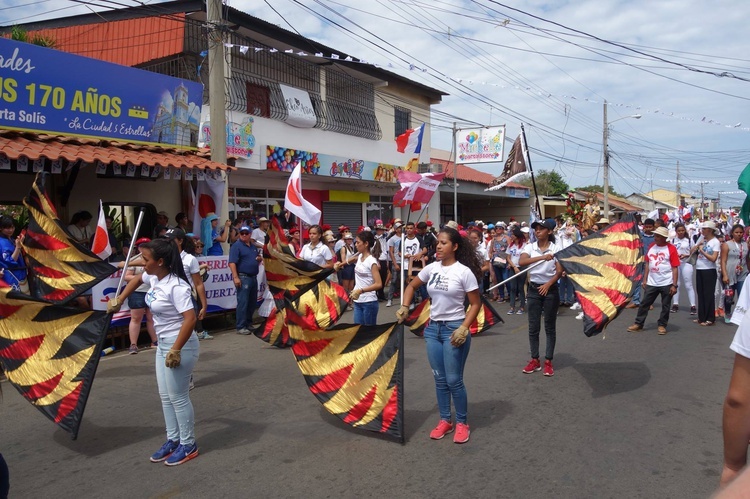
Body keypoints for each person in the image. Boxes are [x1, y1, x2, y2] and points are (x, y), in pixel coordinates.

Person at [108, 238, 199, 466]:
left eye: (145, 259)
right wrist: (120, 298)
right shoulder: (154, 276)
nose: (142, 263)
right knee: (165, 396)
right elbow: (138, 278)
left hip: (180, 343)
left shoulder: (176, 286)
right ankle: (173, 439)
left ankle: (188, 444)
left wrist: (176, 349)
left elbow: (190, 319)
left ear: (160, 261)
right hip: (163, 344)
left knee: (178, 397)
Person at [396, 226, 482, 444]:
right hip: (433, 330)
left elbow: (475, 304)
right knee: (440, 379)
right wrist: (405, 306)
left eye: (444, 243)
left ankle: (462, 422)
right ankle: (446, 420)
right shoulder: (431, 268)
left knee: (454, 380)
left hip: (455, 329)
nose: (439, 246)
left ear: (454, 246)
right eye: (438, 243)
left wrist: (464, 327)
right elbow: (411, 286)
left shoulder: (464, 272)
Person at [519, 218, 563, 377]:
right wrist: (542, 257)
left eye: (541, 229)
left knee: (550, 327)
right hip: (533, 290)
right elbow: (522, 261)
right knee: (533, 327)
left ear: (549, 231)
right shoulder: (530, 246)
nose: (537, 231)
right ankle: (535, 359)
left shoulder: (556, 248)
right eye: (536, 229)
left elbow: (559, 271)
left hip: (550, 290)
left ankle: (548, 361)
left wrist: (549, 284)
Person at [626, 227, 680, 335]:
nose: (656, 238)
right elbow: (647, 264)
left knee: (665, 305)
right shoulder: (651, 247)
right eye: (655, 235)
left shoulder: (671, 248)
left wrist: (674, 285)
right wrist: (645, 279)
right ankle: (638, 323)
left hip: (666, 282)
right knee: (644, 304)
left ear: (664, 238)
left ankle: (662, 325)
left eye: (658, 236)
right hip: (652, 282)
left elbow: (675, 268)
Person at [166, 228, 210, 340]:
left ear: (180, 241)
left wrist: (204, 306)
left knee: (187, 337)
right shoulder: (164, 259)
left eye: (171, 239)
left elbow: (198, 283)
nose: (168, 242)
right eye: (166, 239)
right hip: (168, 302)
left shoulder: (189, 259)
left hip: (186, 301)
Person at [336, 231, 382, 325]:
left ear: (366, 244)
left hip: (369, 302)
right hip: (358, 301)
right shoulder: (360, 256)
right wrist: (340, 264)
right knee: (357, 331)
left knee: (367, 334)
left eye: (358, 242)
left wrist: (360, 291)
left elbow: (379, 284)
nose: (355, 245)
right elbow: (352, 259)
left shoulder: (372, 262)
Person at [122, 237, 158, 354]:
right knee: (136, 318)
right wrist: (142, 279)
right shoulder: (133, 260)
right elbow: (126, 276)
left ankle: (155, 341)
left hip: (151, 291)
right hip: (137, 292)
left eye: (147, 245)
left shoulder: (154, 259)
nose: (144, 248)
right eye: (142, 246)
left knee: (151, 317)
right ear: (138, 248)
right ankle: (133, 344)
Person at [228, 226, 263, 335]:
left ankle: (248, 323)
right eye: (242, 233)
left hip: (253, 277)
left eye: (246, 233)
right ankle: (241, 326)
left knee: (252, 302)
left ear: (250, 234)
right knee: (243, 302)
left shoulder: (252, 246)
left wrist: (258, 259)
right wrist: (235, 277)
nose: (244, 235)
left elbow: (255, 258)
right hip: (243, 277)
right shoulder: (236, 246)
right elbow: (232, 262)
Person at [691, 220, 721, 326]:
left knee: (708, 294)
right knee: (701, 293)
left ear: (710, 230)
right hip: (700, 268)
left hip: (709, 270)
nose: (702, 230)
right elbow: (692, 251)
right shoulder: (702, 239)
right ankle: (701, 317)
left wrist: (702, 250)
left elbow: (713, 258)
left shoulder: (715, 242)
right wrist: (697, 246)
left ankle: (710, 318)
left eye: (704, 228)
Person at [720, 224, 750, 323]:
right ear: (732, 233)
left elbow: (747, 259)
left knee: (743, 294)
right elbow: (723, 261)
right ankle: (727, 312)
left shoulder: (746, 244)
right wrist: (724, 275)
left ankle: (742, 314)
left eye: (741, 232)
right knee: (729, 295)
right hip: (730, 273)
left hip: (743, 273)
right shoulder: (726, 244)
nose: (739, 234)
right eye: (736, 232)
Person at [670, 222, 697, 315]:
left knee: (688, 284)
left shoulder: (689, 240)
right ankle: (675, 304)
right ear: (676, 231)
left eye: (682, 230)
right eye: (679, 231)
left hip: (686, 263)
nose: (681, 232)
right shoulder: (673, 241)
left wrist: (686, 255)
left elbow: (693, 251)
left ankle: (693, 305)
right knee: (676, 284)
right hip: (676, 264)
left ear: (685, 231)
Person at [0, 216, 27, 293]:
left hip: (19, 274)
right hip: (10, 276)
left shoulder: (11, 239)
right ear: (1, 228)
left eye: (12, 227)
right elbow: (10, 261)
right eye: (7, 228)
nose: (11, 230)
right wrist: (18, 247)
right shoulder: (1, 242)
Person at [506, 227, 527, 315]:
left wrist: (518, 267)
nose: (511, 236)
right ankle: (512, 307)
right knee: (513, 288)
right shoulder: (511, 245)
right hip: (513, 268)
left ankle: (522, 307)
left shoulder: (525, 245)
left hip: (522, 268)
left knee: (520, 287)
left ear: (517, 236)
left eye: (513, 235)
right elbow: (508, 257)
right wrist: (513, 266)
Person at [488, 224, 510, 302]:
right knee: (499, 279)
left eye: (500, 228)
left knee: (506, 278)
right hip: (496, 260)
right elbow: (490, 250)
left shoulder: (507, 238)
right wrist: (491, 256)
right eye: (496, 228)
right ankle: (501, 295)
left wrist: (509, 262)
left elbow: (510, 249)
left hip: (505, 260)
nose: (498, 230)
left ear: (503, 229)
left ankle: (510, 294)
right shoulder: (493, 239)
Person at [386, 222, 404, 307]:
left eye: (401, 227)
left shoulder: (405, 238)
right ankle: (390, 299)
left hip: (405, 262)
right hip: (396, 261)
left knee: (404, 280)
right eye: (399, 228)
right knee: (394, 281)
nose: (401, 229)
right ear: (396, 229)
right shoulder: (392, 239)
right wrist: (395, 263)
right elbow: (391, 252)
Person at [338, 232, 357, 300]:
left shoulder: (351, 247)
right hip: (346, 267)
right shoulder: (343, 248)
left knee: (351, 286)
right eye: (348, 239)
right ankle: (345, 301)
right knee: (345, 286)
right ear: (345, 240)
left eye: (350, 239)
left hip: (352, 267)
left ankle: (349, 301)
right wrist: (351, 260)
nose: (349, 240)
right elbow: (343, 260)